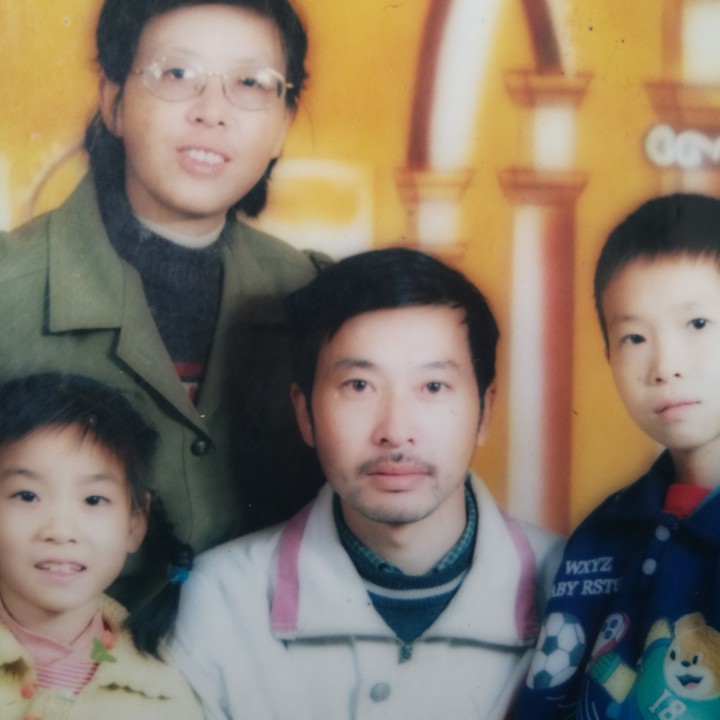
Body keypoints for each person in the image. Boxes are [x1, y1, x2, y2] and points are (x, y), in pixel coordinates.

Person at [0, 0, 326, 608]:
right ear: (113, 101)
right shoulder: (7, 286)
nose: (212, 112)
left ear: (283, 123)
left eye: (250, 84)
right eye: (177, 73)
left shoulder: (313, 294)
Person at [170, 247, 562, 720]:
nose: (395, 430)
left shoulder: (572, 585)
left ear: (486, 412)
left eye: (433, 387)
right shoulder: (219, 599)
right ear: (304, 413)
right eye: (358, 386)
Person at [516, 193, 720, 719]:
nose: (665, 366)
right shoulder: (603, 532)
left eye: (698, 324)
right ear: (608, 354)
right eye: (633, 337)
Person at [0, 373, 204, 720]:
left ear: (135, 522)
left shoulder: (165, 696)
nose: (60, 531)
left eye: (93, 499)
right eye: (27, 495)